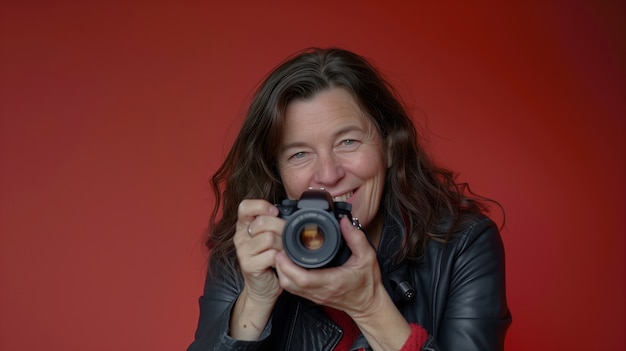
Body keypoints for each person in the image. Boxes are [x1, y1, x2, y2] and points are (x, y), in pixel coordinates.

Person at [187, 47, 511, 351]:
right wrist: (256, 299)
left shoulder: (462, 245)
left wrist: (370, 306)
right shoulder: (250, 249)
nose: (328, 175)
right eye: (299, 154)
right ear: (277, 173)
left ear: (389, 147)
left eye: (348, 142)